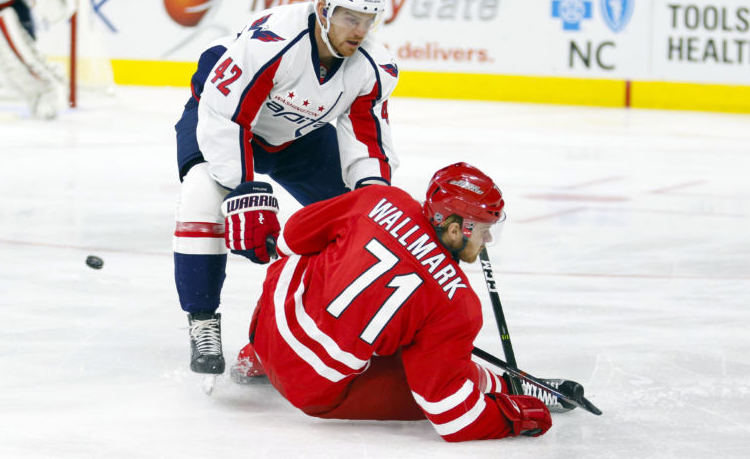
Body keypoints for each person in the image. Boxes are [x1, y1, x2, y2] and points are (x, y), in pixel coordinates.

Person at [173, 0, 399, 375]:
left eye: (370, 19)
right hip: (221, 116)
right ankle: (203, 320)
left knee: (359, 223)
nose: (362, 30)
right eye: (351, 18)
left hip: (297, 135)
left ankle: (328, 329)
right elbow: (227, 115)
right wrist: (242, 190)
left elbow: (368, 141)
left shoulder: (374, 66)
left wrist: (374, 204)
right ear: (323, 9)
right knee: (202, 192)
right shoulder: (272, 40)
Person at [231, 162, 556, 441]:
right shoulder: (457, 303)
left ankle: (257, 356)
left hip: (265, 325)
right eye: (484, 230)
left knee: (319, 259)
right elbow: (452, 418)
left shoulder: (381, 198)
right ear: (456, 230)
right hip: (311, 388)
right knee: (438, 374)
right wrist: (515, 419)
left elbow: (291, 239)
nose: (486, 240)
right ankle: (507, 387)